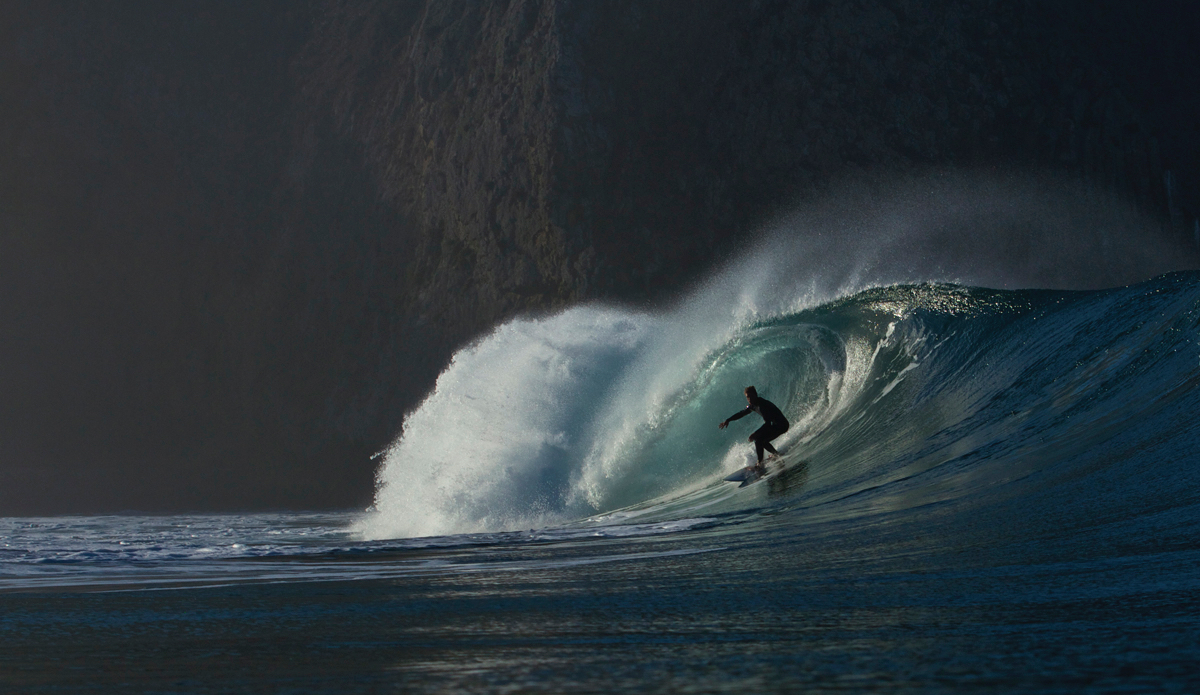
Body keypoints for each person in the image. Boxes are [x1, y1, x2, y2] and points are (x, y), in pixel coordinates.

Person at [719, 386, 789, 473]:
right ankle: (776, 454)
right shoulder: (753, 406)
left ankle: (760, 463)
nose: (749, 399)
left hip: (782, 425)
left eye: (751, 396)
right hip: (775, 425)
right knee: (761, 440)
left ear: (755, 395)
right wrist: (728, 420)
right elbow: (741, 413)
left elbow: (768, 424)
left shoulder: (762, 405)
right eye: (747, 397)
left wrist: (755, 433)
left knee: (759, 439)